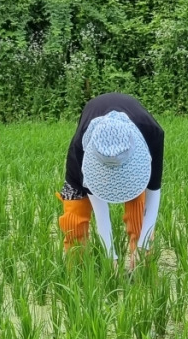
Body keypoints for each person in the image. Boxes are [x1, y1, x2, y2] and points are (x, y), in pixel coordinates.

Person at [57, 93, 164, 267]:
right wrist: (111, 258)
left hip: (137, 144)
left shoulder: (152, 133)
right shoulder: (82, 147)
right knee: (74, 220)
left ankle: (141, 266)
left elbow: (153, 194)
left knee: (138, 212)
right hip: (83, 162)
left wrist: (142, 245)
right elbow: (100, 211)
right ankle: (76, 271)